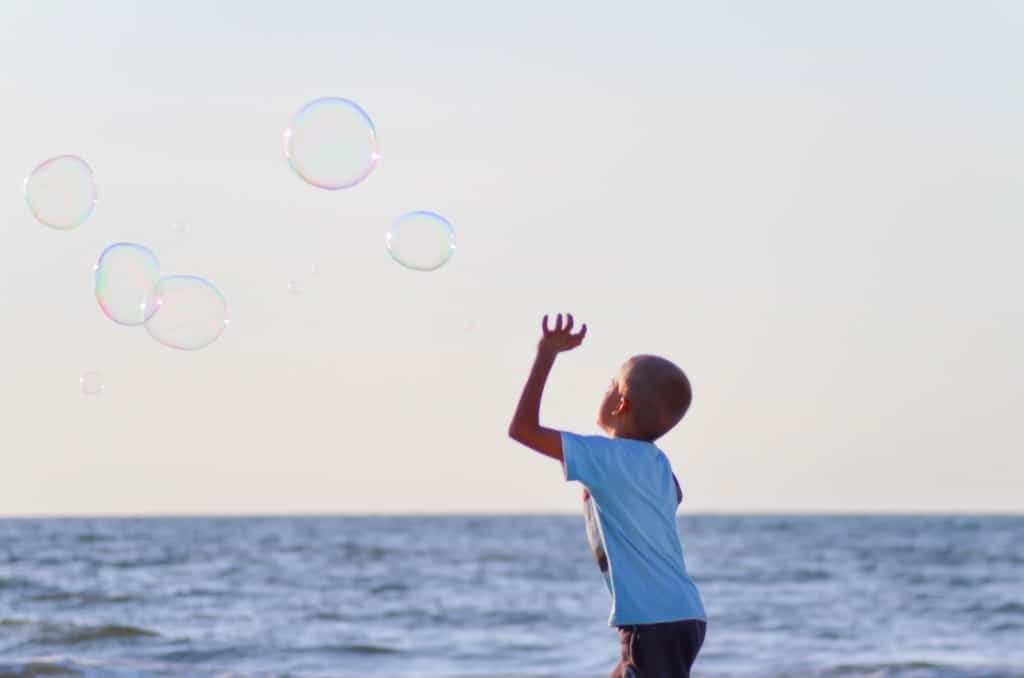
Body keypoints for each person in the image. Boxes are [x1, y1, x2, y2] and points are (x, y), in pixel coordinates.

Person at [508, 314, 706, 678]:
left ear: (620, 406)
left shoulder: (605, 456)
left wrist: (545, 355)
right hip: (683, 615)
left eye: (609, 387)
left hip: (652, 622)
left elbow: (522, 429)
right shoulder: (657, 462)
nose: (603, 392)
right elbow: (674, 496)